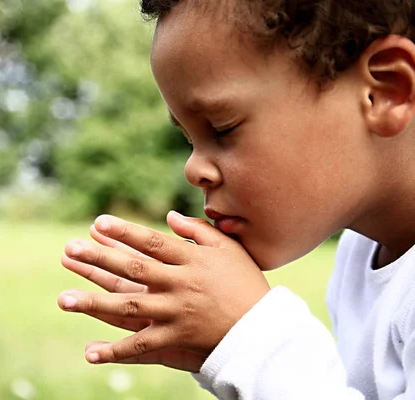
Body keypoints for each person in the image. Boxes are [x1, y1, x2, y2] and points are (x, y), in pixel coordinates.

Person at [57, 0, 415, 398]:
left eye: (222, 128)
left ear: (385, 92)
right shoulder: (360, 251)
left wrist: (255, 340)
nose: (194, 170)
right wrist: (224, 345)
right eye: (190, 139)